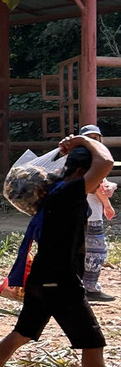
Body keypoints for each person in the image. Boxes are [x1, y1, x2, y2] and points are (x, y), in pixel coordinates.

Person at [0, 133, 120, 367]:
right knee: (92, 343)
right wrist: (83, 140)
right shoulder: (69, 191)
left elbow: (101, 165)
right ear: (79, 172)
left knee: (21, 334)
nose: (98, 181)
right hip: (59, 281)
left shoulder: (60, 190)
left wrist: (77, 145)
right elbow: (107, 161)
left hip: (44, 277)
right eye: (91, 174)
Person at [78, 124, 116, 302]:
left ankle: (85, 287)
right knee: (96, 252)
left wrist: (111, 186)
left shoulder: (92, 158)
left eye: (96, 137)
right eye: (90, 137)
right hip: (88, 214)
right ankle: (90, 288)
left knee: (88, 252)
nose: (94, 140)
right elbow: (94, 187)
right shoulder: (88, 160)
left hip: (87, 213)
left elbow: (102, 184)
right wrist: (108, 205)